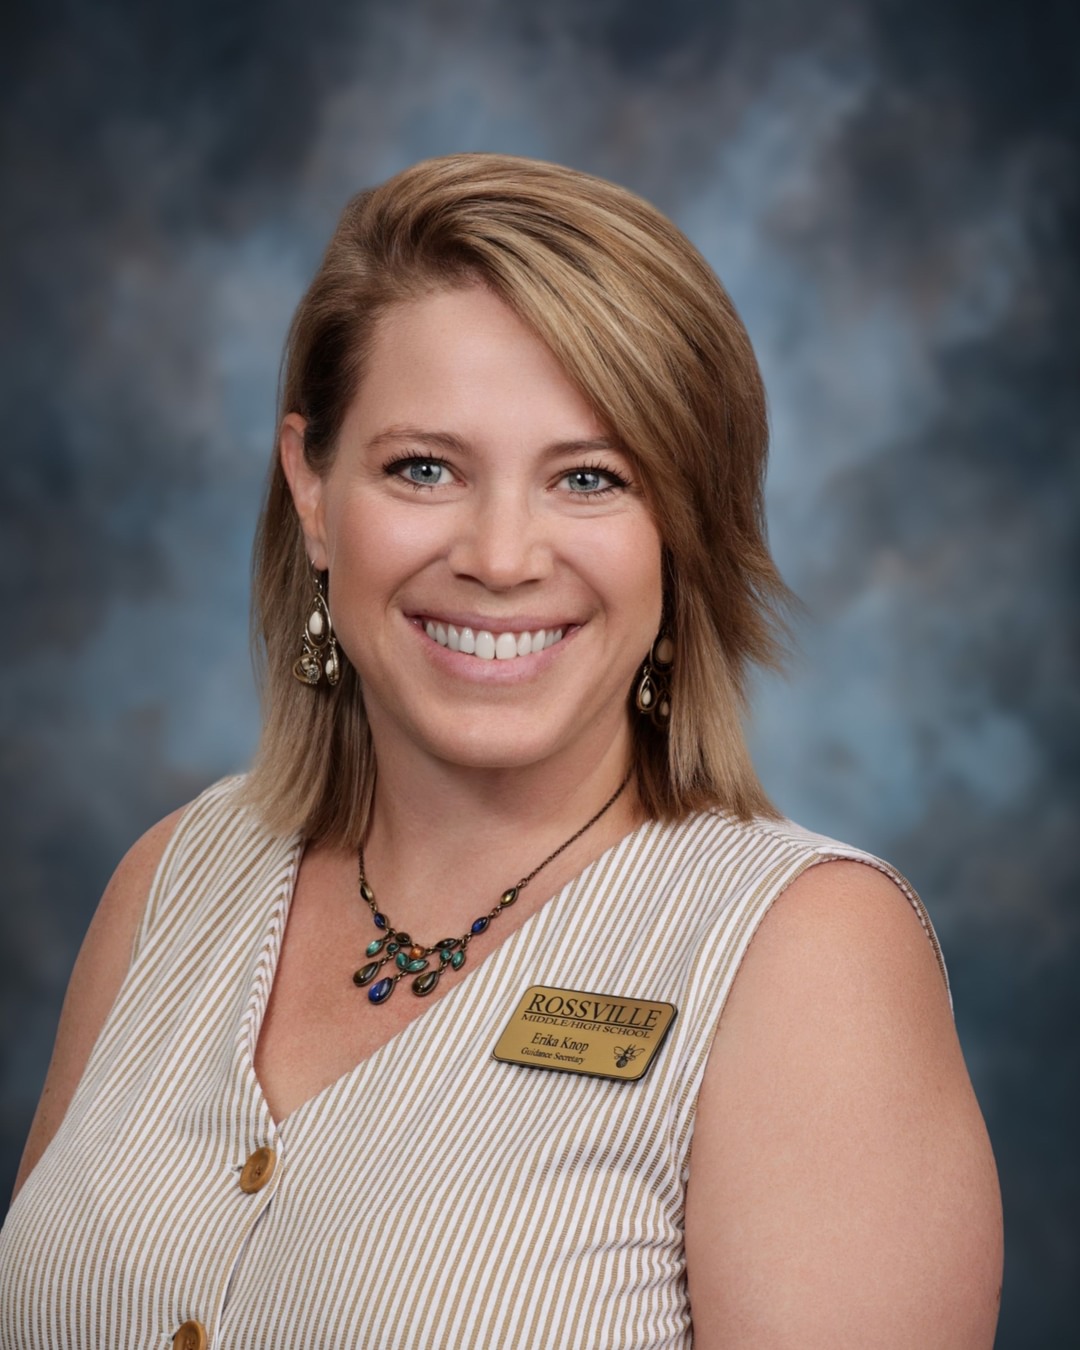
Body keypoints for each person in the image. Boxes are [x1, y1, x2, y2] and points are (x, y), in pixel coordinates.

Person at [0, 154, 1002, 1349]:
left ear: (683, 530)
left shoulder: (807, 957)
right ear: (312, 488)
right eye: (424, 469)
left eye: (590, 478)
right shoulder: (173, 880)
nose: (501, 556)